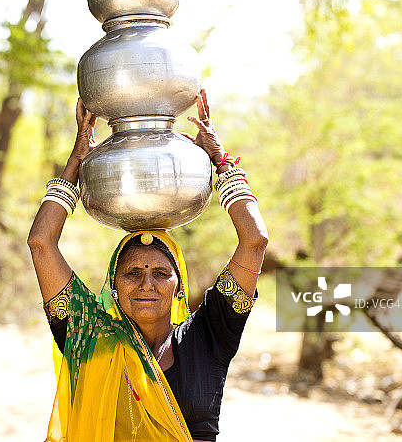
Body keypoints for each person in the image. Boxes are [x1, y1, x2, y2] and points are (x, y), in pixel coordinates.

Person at [27, 89, 268, 442]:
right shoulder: (89, 338)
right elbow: (41, 243)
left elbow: (255, 241)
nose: (146, 285)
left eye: (159, 273)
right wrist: (76, 164)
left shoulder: (210, 335)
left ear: (179, 285)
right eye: (132, 273)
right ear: (114, 287)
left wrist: (222, 162)